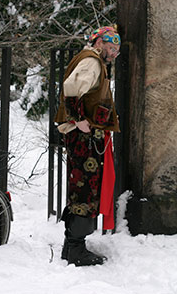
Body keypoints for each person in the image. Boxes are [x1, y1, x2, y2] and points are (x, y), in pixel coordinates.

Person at [54, 26, 121, 266]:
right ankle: (76, 250)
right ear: (100, 43)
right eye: (112, 48)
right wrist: (78, 120)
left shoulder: (92, 60)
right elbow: (71, 89)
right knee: (85, 189)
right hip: (83, 137)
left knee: (80, 186)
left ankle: (71, 245)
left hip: (84, 136)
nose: (114, 54)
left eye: (117, 51)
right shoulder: (92, 62)